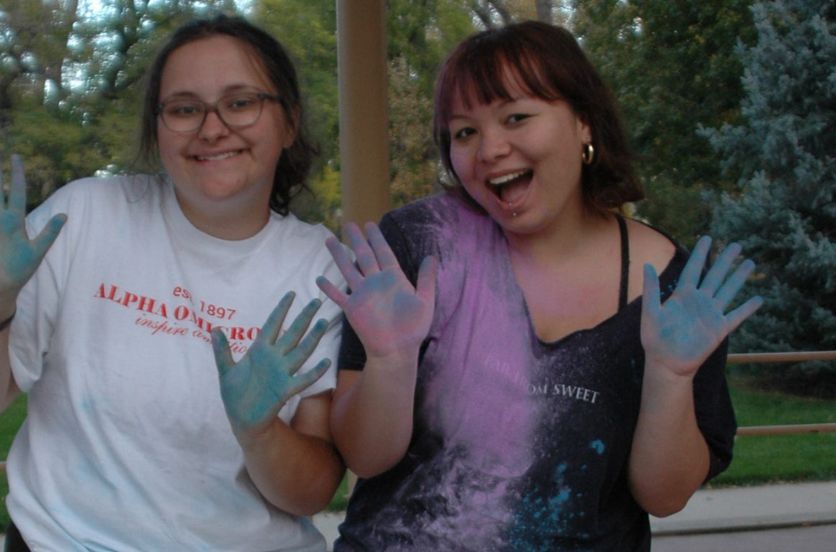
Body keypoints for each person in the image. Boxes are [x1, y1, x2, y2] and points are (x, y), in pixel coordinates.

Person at [316, 21, 763, 551]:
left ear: (584, 124)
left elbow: (664, 496)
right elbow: (364, 458)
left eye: (516, 117)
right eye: (464, 132)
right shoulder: (418, 245)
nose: (489, 149)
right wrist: (390, 362)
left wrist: (669, 377)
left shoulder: (673, 286)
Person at [0, 15, 345, 551]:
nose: (212, 127)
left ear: (288, 123)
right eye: (184, 108)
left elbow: (309, 493)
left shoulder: (322, 266)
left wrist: (261, 433)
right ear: (158, 128)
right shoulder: (84, 218)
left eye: (240, 102)